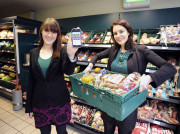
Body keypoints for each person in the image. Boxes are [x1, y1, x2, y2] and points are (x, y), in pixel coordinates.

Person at [84, 19, 177, 134]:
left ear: (129, 32)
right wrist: (90, 65)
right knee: (108, 128)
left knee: (125, 130)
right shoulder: (114, 49)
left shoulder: (141, 50)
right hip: (109, 99)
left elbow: (169, 68)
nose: (118, 36)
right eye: (115, 33)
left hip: (128, 104)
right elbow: (97, 55)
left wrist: (149, 78)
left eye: (121, 31)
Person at [25, 18, 78, 134]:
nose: (50, 35)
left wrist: (71, 54)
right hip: (39, 103)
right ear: (41, 32)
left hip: (60, 101)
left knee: (62, 132)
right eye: (47, 31)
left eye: (53, 32)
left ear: (57, 35)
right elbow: (31, 81)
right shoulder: (34, 53)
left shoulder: (62, 51)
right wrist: (28, 106)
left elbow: (68, 71)